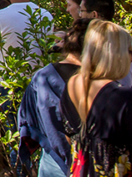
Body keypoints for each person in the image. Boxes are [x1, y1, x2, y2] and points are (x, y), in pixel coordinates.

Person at [60, 20, 132, 177]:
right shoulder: (124, 98)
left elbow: (69, 138)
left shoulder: (72, 86)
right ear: (117, 54)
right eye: (131, 55)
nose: (131, 60)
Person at [18, 19, 88, 177]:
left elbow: (27, 120)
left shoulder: (43, 76)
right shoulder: (98, 79)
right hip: (88, 159)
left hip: (53, 158)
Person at [77, 0, 132, 88]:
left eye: (82, 11)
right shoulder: (126, 41)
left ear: (94, 15)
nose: (79, 15)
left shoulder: (95, 43)